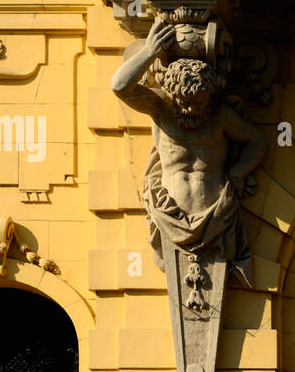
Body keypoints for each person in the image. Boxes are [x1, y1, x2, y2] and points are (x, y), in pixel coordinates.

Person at [110, 17, 266, 280]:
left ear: (210, 93)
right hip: (170, 217)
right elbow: (119, 87)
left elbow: (257, 140)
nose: (193, 108)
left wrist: (238, 174)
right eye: (186, 101)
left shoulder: (219, 116)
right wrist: (149, 51)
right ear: (172, 92)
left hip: (217, 214)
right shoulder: (160, 108)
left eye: (199, 102)